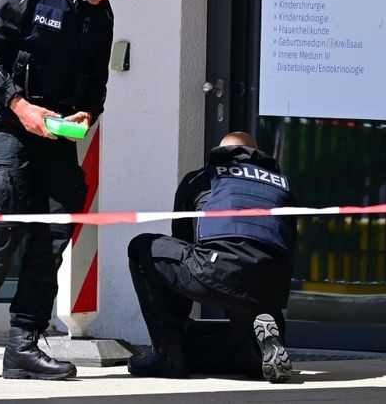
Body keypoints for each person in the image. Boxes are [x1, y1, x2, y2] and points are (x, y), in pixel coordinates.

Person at [0, 0, 136, 380]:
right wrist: (19, 104)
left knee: (54, 236)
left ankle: (23, 345)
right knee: (2, 234)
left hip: (57, 139)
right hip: (12, 131)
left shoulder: (101, 12)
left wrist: (86, 117)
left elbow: (97, 82)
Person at [126, 131, 297, 384]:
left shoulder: (203, 178)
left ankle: (169, 355)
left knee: (143, 248)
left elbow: (183, 240)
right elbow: (287, 243)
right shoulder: (282, 185)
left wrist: (183, 311)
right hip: (272, 284)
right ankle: (259, 352)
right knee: (245, 356)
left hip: (220, 268)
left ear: (220, 152)